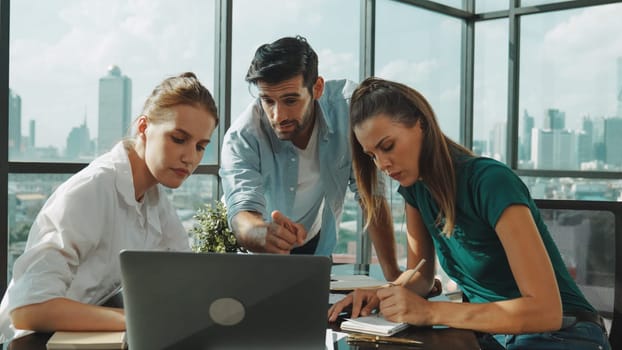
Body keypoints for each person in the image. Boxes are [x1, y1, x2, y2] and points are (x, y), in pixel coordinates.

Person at [328, 77, 611, 349]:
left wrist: (430, 312)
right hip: (490, 336)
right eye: (372, 155)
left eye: (388, 146)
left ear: (421, 124)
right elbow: (422, 277)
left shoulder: (490, 182)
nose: (383, 164)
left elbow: (546, 311)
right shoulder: (415, 189)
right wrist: (380, 295)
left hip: (562, 334)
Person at [0, 72, 219, 343]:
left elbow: (187, 280)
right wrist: (137, 320)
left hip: (98, 340)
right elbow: (27, 310)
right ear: (143, 128)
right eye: (178, 139)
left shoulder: (155, 201)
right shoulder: (93, 188)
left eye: (200, 147)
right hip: (37, 342)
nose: (190, 158)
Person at [219, 36, 402, 280]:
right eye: (267, 100)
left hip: (316, 242)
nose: (278, 115)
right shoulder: (242, 137)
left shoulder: (350, 112)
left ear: (317, 88)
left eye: (290, 100)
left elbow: (371, 196)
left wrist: (394, 279)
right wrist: (260, 233)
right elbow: (242, 212)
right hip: (258, 249)